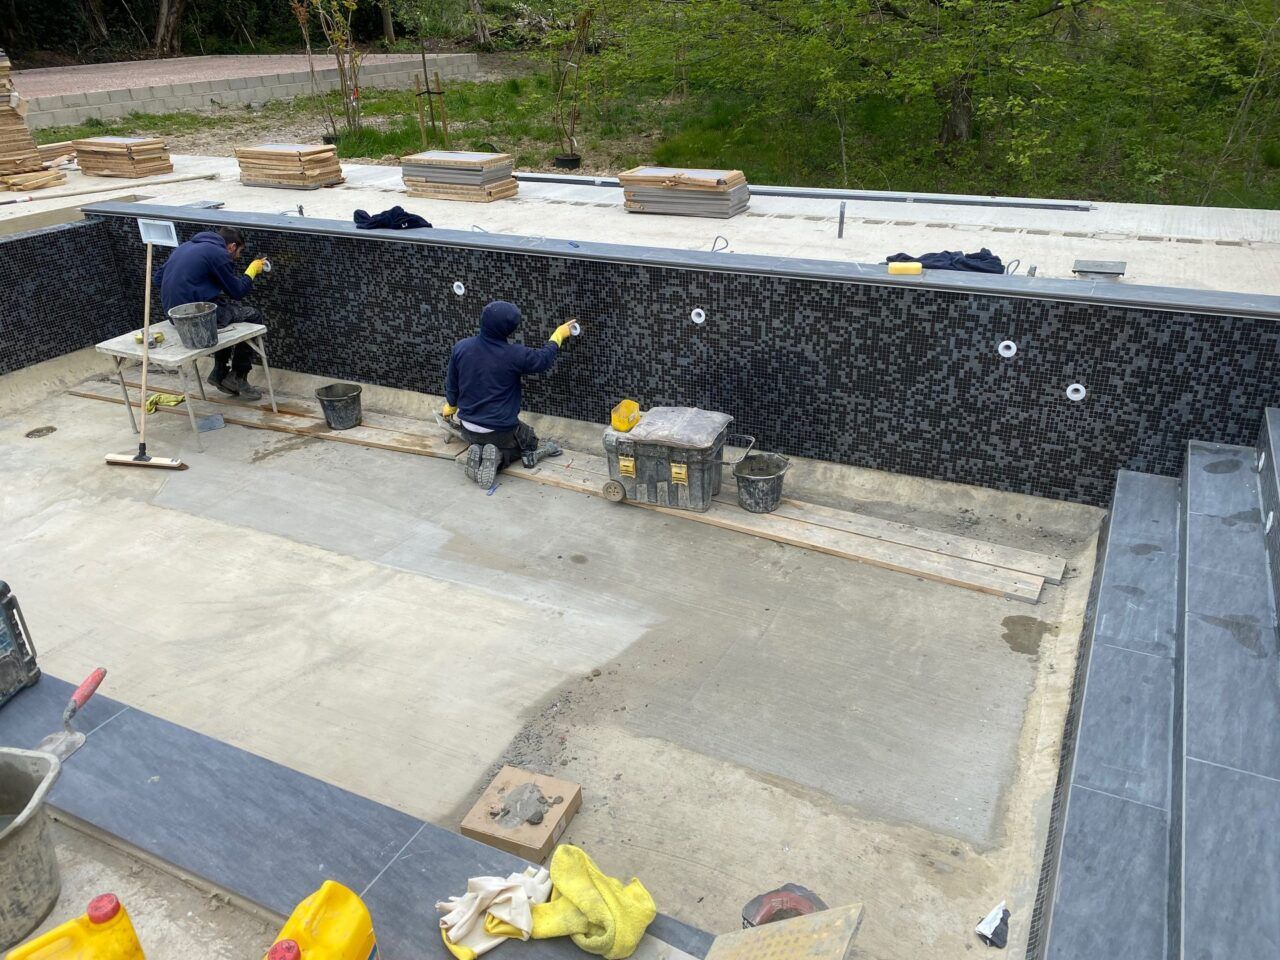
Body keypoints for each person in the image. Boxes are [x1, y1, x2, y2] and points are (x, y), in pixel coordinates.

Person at [443, 301, 578, 488]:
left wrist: (450, 405)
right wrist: (558, 335)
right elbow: (542, 360)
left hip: (467, 428)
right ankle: (499, 458)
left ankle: (478, 449)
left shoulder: (461, 347)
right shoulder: (514, 355)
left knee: (484, 437)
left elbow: (452, 385)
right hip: (500, 432)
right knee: (530, 441)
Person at [156, 226, 269, 400]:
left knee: (220, 308)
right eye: (239, 251)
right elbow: (237, 291)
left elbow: (157, 279)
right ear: (231, 246)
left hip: (174, 315)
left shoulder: (184, 247)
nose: (237, 256)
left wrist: (197, 288)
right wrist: (252, 270)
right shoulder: (219, 254)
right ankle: (238, 376)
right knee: (252, 316)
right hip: (194, 318)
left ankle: (219, 372)